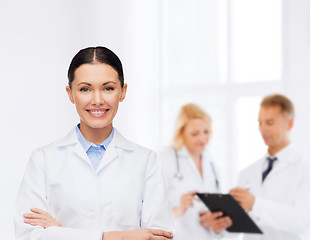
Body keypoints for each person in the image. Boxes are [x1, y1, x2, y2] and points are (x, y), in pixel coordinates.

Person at [13, 46, 174, 240]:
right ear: (70, 93)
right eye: (85, 89)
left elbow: (159, 237)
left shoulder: (146, 161)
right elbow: (29, 236)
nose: (97, 100)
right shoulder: (43, 160)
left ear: (122, 92)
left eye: (108, 88)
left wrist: (59, 232)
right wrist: (117, 237)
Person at [230, 94, 310, 239]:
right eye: (260, 123)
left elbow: (304, 220)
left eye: (270, 123)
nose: (263, 129)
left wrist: (255, 205)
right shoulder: (247, 172)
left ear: (289, 124)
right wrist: (221, 222)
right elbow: (237, 226)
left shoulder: (304, 168)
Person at [159, 103, 232, 240]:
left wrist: (212, 221)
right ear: (181, 133)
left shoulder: (211, 164)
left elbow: (212, 209)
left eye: (206, 132)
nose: (202, 138)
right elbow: (151, 212)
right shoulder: (166, 159)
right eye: (195, 134)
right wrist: (179, 209)